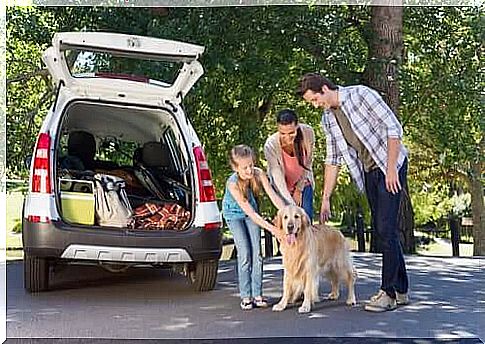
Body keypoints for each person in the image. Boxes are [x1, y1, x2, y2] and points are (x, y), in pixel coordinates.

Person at [297, 73, 409, 312]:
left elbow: (393, 128)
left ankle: (388, 293)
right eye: (312, 103)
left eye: (316, 99)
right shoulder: (328, 119)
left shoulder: (361, 95)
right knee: (383, 229)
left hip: (390, 164)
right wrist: (325, 198)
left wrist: (391, 170)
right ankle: (401, 289)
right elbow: (333, 159)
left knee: (385, 228)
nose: (317, 105)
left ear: (326, 88)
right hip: (369, 170)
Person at [222, 145, 286, 310]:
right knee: (245, 254)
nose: (249, 170)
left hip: (251, 212)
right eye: (245, 168)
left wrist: (287, 211)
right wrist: (274, 230)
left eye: (251, 165)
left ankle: (257, 294)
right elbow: (251, 214)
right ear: (235, 168)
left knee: (257, 253)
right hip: (234, 216)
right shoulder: (232, 184)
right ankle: (245, 295)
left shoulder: (258, 174)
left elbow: (273, 196)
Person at [264, 109, 315, 221]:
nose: (287, 138)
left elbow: (308, 161)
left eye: (291, 133)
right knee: (286, 223)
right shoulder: (270, 145)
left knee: (306, 221)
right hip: (282, 188)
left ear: (297, 126)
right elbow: (277, 177)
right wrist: (291, 204)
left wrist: (299, 189)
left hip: (303, 183)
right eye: (283, 133)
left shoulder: (308, 133)